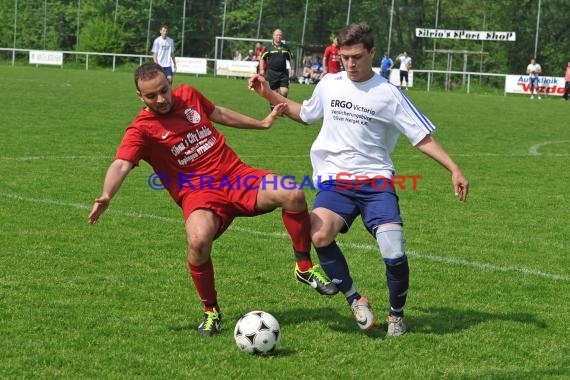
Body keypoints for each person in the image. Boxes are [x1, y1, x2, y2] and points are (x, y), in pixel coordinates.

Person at [249, 22, 469, 336]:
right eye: (344, 57)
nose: (350, 64)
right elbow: (307, 114)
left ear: (371, 54)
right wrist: (268, 93)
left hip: (376, 182)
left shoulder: (389, 94)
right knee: (319, 235)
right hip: (335, 181)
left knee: (393, 251)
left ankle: (396, 315)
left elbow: (422, 137)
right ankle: (355, 299)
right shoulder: (330, 83)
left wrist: (454, 168)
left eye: (356, 57)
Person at [87, 62, 338, 337]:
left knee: (292, 192)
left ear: (170, 84)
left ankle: (304, 267)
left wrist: (262, 124)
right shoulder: (141, 129)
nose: (161, 99)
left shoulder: (189, 95)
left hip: (235, 176)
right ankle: (211, 311)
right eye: (151, 96)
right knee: (197, 240)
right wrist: (107, 194)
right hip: (199, 192)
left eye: (164, 90)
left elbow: (218, 112)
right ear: (140, 97)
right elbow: (122, 164)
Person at [260, 29, 293, 98]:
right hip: (272, 73)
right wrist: (261, 69)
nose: (278, 36)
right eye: (277, 35)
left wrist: (292, 69)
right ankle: (274, 107)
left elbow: (290, 59)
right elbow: (262, 58)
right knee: (274, 93)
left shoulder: (286, 47)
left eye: (280, 35)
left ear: (282, 36)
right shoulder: (268, 47)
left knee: (284, 91)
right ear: (273, 36)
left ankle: (281, 105)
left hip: (283, 73)